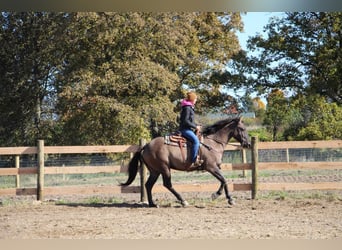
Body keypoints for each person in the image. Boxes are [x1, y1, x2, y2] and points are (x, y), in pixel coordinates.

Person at [179, 91, 203, 168]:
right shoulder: (187, 108)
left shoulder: (189, 107)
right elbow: (185, 121)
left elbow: (190, 121)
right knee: (196, 141)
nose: (196, 100)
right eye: (195, 99)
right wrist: (195, 127)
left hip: (188, 129)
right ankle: (193, 161)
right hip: (185, 129)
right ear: (192, 99)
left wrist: (196, 125)